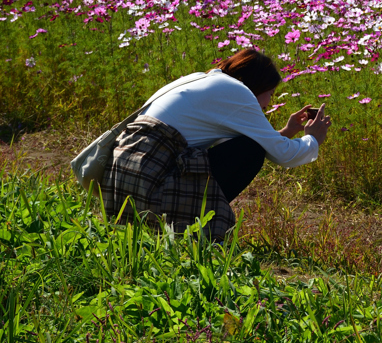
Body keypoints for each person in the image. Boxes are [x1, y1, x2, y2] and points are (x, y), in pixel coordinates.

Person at [100, 48, 330, 240]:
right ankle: (199, 226)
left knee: (248, 146)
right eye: (270, 94)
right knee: (250, 152)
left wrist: (287, 131)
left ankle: (193, 220)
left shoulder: (203, 80)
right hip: (150, 182)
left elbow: (248, 141)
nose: (269, 103)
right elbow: (283, 155)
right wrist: (313, 139)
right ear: (257, 86)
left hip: (122, 182)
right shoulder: (239, 93)